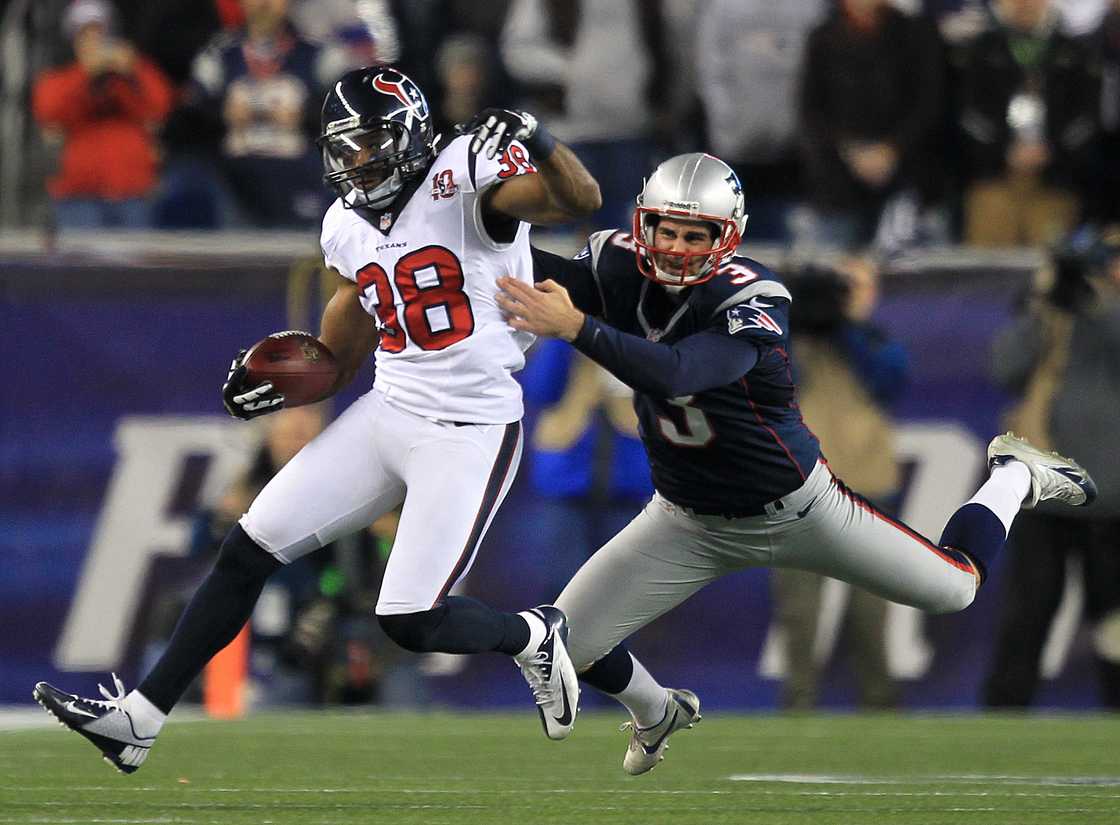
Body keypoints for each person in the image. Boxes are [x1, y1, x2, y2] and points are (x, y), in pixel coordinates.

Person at [33, 65, 602, 774]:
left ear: (406, 136)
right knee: (247, 547)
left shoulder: (464, 176)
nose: (351, 163)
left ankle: (531, 633)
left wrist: (540, 139)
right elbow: (340, 351)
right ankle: (139, 719)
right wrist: (279, 383)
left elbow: (580, 196)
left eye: (365, 143)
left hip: (472, 424)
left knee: (411, 619)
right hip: (390, 406)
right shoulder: (346, 224)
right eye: (342, 147)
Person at [495, 152, 1097, 774]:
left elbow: (682, 374)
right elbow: (514, 264)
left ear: (726, 236)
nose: (676, 247)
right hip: (683, 518)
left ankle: (1013, 476)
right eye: (667, 230)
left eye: (695, 234)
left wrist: (577, 329)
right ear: (643, 223)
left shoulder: (752, 295)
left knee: (955, 588)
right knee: (573, 642)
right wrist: (464, 227)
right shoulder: (617, 263)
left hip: (798, 511)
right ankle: (657, 711)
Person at [983, 227, 1120, 708]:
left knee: (1115, 620)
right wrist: (1048, 305)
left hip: (1114, 497)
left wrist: (1094, 306)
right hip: (1048, 489)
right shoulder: (1060, 309)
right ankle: (1003, 717)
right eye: (1109, 257)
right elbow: (1004, 367)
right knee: (1031, 609)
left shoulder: (1102, 314)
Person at [772, 259, 908, 710]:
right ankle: (800, 702)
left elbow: (889, 379)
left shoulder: (875, 340)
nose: (846, 295)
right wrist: (797, 317)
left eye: (857, 286)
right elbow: (773, 380)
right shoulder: (786, 340)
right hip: (801, 485)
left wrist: (845, 327)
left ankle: (878, 700)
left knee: (871, 607)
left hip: (866, 482)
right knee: (799, 609)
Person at [955, 0, 1100, 246]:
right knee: (989, 268)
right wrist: (1005, 149)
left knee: (1049, 273)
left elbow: (1087, 118)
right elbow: (968, 114)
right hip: (993, 180)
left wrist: (1052, 150)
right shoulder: (981, 50)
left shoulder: (1075, 52)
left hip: (1055, 183)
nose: (1024, 4)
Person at [32, 0, 174, 229]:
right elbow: (50, 112)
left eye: (98, 31)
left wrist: (131, 71)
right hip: (79, 197)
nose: (93, 39)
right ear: (73, 39)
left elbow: (160, 106)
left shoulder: (132, 71)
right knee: (80, 264)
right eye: (84, 33)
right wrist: (87, 75)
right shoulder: (60, 78)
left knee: (136, 263)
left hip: (133, 193)